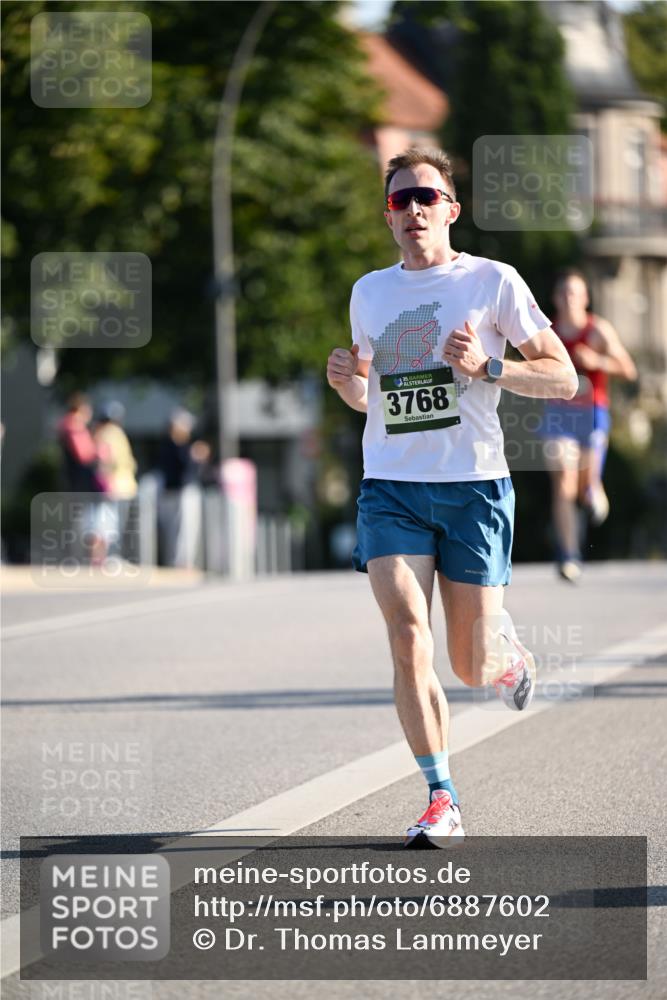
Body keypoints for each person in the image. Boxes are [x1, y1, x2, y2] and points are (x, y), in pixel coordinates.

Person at [326, 147, 578, 847]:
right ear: (387, 216)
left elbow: (563, 378)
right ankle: (441, 796)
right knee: (408, 634)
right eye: (399, 200)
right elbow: (370, 397)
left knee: (472, 666)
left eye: (426, 197)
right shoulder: (369, 292)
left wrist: (489, 366)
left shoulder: (492, 281)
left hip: (472, 488)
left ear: (451, 210)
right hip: (391, 488)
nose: (413, 209)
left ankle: (507, 656)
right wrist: (347, 382)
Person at [542, 269, 637, 583]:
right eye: (563, 293)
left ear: (585, 298)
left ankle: (594, 489)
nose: (569, 298)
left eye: (574, 292)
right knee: (563, 482)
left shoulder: (598, 331)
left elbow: (628, 369)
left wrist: (597, 362)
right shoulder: (549, 333)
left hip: (593, 413)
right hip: (558, 414)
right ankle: (569, 555)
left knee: (583, 490)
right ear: (556, 299)